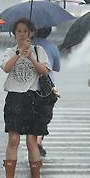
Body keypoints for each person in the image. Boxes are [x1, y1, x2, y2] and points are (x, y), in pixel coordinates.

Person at [0, 19, 51, 178]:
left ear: (31, 33)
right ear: (14, 34)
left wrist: (31, 57)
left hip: (33, 98)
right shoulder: (9, 51)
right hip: (14, 98)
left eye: (25, 31)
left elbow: (44, 71)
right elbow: (6, 68)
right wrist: (18, 53)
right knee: (13, 139)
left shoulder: (39, 50)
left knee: (31, 141)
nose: (21, 34)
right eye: (18, 31)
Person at [32, 27, 61, 157]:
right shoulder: (52, 47)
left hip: (31, 86)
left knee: (32, 114)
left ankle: (33, 142)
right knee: (45, 115)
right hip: (48, 87)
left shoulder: (28, 45)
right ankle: (38, 140)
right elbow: (56, 67)